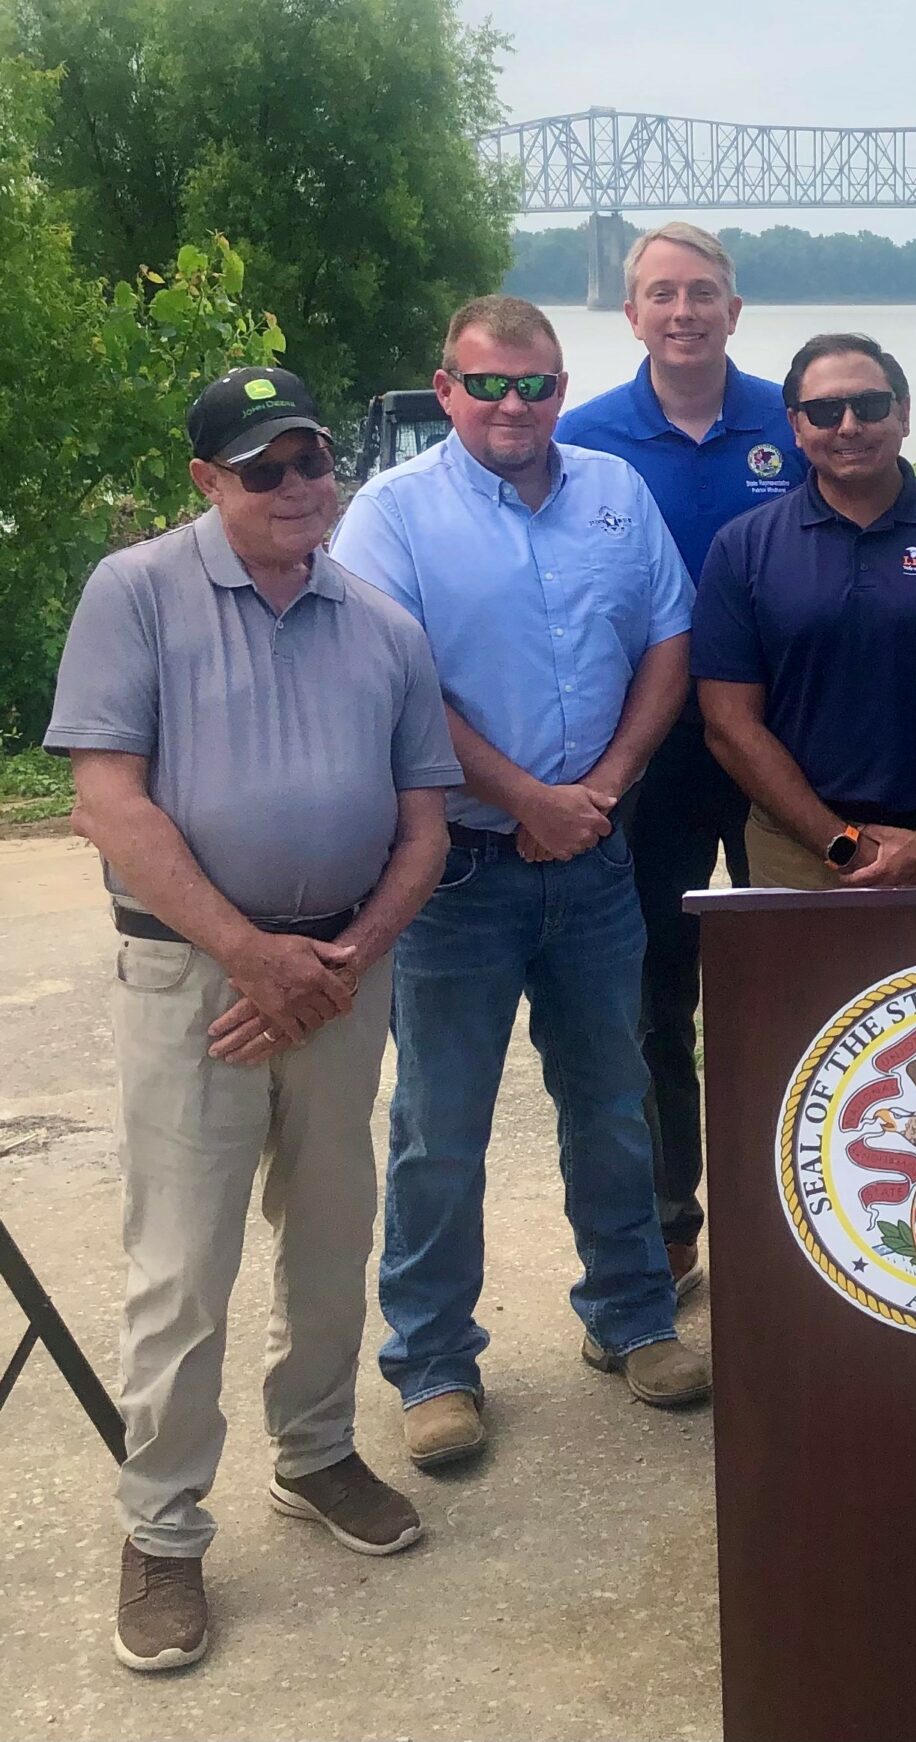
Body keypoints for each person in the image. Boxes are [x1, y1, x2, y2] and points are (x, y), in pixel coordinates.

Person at [45, 366, 461, 1671]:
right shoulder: (137, 594)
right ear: (207, 480)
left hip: (342, 972)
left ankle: (317, 1451)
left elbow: (426, 824)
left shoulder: (382, 621)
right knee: (183, 1265)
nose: (298, 486)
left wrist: (340, 955)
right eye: (264, 467)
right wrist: (250, 956)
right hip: (195, 983)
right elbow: (108, 801)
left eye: (313, 461)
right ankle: (162, 1526)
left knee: (335, 1229)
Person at [331, 295, 707, 1472]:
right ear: (443, 389)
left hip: (593, 857)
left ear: (560, 383)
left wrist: (602, 782)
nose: (514, 405)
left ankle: (631, 1316)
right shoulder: (389, 516)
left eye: (535, 383)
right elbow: (399, 690)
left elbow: (666, 641)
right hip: (455, 873)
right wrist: (530, 797)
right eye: (487, 384)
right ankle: (435, 1363)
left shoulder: (611, 490)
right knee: (439, 1127)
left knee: (613, 1097)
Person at [557, 221, 808, 1293]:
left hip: (776, 747)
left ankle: (792, 1204)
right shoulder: (583, 436)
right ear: (631, 315)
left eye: (702, 291)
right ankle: (670, 1213)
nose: (683, 310)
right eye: (661, 293)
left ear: (734, 309)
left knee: (787, 987)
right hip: (646, 750)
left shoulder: (793, 422)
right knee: (652, 989)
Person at [696, 334, 916, 889]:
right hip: (799, 854)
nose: (849, 426)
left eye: (869, 406)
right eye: (824, 411)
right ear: (796, 427)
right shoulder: (744, 547)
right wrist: (841, 841)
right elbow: (728, 724)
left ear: (904, 413)